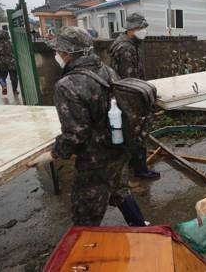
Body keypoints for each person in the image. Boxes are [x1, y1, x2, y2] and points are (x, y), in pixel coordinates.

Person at [28, 26, 148, 227]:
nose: (57, 54)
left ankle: (84, 249)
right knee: (120, 189)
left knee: (86, 212)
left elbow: (76, 134)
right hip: (119, 146)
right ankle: (141, 227)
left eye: (58, 50)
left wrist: (53, 155)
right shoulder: (107, 70)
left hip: (94, 161)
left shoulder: (67, 85)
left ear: (67, 53)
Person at [108, 13, 160, 179]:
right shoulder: (126, 48)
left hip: (124, 94)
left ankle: (133, 163)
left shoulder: (129, 42)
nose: (143, 31)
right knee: (138, 132)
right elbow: (130, 81)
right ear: (131, 29)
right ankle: (141, 170)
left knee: (130, 133)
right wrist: (145, 98)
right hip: (129, 96)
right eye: (140, 28)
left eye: (144, 27)